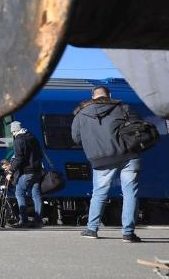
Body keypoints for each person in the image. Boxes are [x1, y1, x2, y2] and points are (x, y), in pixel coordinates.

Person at [71, 85, 142, 242]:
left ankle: (92, 229)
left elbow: (76, 138)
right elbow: (139, 129)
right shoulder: (124, 108)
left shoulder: (81, 114)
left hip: (101, 158)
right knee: (130, 193)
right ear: (109, 95)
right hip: (128, 155)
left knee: (99, 193)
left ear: (92, 96)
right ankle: (128, 233)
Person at [5, 121, 43, 228]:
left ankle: (23, 221)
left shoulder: (18, 140)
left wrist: (11, 171)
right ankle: (38, 221)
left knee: (19, 192)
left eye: (12, 132)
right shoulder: (32, 137)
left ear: (14, 131)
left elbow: (19, 158)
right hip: (37, 170)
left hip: (27, 171)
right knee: (36, 195)